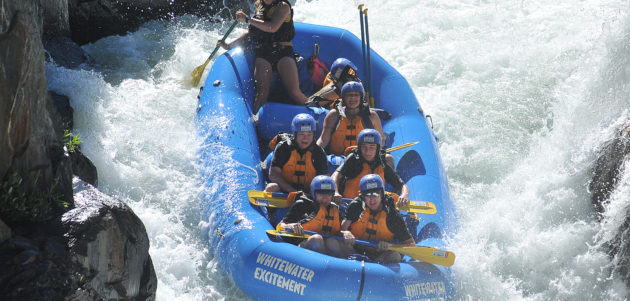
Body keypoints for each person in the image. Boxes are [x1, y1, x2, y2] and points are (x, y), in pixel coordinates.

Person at [217, 0, 307, 114]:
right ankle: (255, 123)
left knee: (294, 92)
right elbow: (251, 31)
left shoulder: (283, 6)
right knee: (261, 93)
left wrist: (247, 19)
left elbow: (272, 27)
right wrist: (229, 45)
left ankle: (314, 111)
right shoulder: (259, 5)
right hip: (264, 52)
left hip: (283, 50)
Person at [341, 174, 415, 263]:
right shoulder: (356, 207)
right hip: (354, 252)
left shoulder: (392, 216)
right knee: (332, 243)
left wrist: (390, 245)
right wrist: (345, 232)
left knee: (394, 255)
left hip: (380, 256)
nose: (372, 199)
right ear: (363, 196)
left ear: (382, 194)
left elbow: (411, 245)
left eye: (375, 194)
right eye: (368, 195)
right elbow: (342, 229)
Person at [278, 175, 355, 257]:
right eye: (321, 193)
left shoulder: (335, 209)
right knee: (316, 239)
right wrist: (290, 225)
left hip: (325, 249)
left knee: (332, 242)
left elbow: (336, 232)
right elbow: (280, 225)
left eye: (329, 194)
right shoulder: (302, 204)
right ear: (313, 192)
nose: (325, 198)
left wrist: (345, 233)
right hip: (301, 248)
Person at [332, 129, 410, 208]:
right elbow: (335, 175)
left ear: (377, 148)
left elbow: (401, 184)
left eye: (372, 148)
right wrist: (335, 192)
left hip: (373, 206)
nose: (367, 152)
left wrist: (404, 195)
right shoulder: (353, 159)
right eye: (364, 147)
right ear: (359, 147)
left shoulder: (381, 162)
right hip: (348, 204)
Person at [316, 81, 383, 156]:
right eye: (349, 95)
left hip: (362, 158)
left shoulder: (372, 116)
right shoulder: (334, 115)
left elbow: (381, 141)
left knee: (388, 158)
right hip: (337, 159)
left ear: (361, 97)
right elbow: (323, 140)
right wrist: (315, 152)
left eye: (356, 95)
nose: (352, 98)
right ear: (343, 98)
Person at [265, 113, 328, 193]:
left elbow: (324, 179)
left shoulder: (318, 152)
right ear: (295, 134)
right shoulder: (284, 147)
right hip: (285, 191)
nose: (305, 138)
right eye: (302, 134)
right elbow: (274, 174)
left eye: (309, 134)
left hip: (308, 195)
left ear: (314, 135)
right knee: (271, 187)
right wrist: (292, 191)